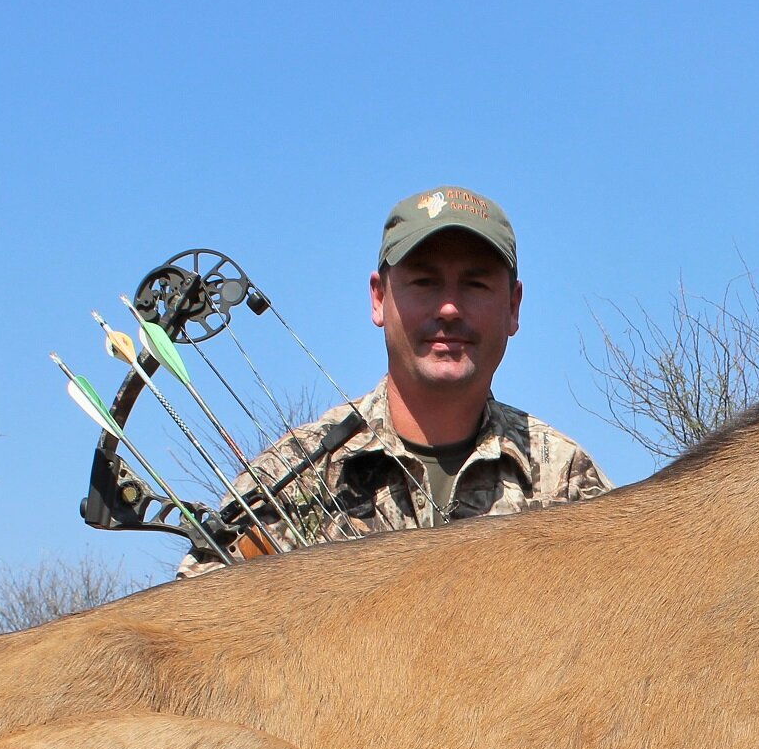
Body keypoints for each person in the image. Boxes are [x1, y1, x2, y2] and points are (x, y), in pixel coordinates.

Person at [179, 187, 607, 573]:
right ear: (379, 298)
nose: (450, 309)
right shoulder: (290, 479)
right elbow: (194, 633)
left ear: (513, 307)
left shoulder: (567, 480)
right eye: (425, 282)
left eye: (475, 285)